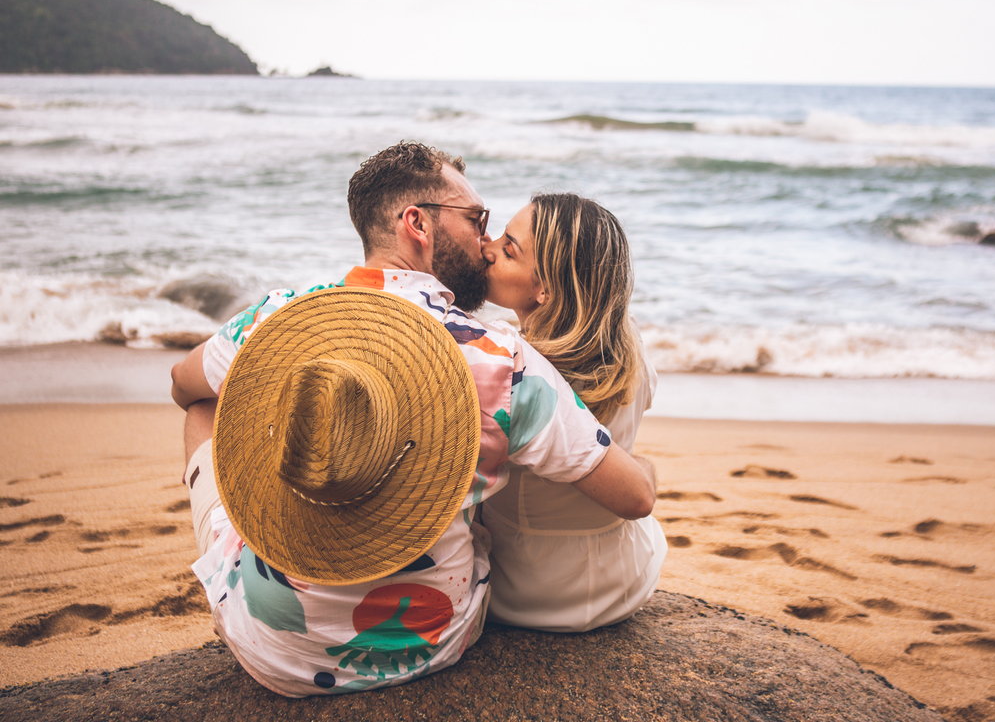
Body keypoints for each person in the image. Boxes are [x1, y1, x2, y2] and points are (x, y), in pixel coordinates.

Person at [169, 142, 656, 697]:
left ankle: (254, 550)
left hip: (269, 649)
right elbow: (634, 495)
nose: (485, 242)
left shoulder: (279, 317)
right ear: (418, 224)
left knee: (206, 406)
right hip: (435, 642)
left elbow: (182, 384)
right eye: (477, 220)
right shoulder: (503, 359)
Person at [480, 193, 667, 632]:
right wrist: (642, 465)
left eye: (508, 249)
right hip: (622, 581)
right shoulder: (628, 349)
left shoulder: (507, 364)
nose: (487, 247)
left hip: (519, 590)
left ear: (545, 289)